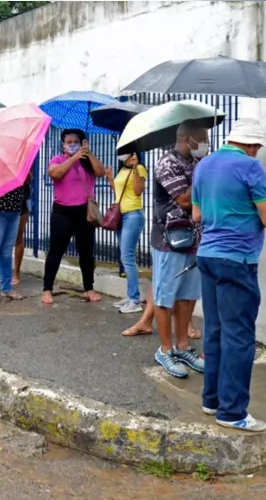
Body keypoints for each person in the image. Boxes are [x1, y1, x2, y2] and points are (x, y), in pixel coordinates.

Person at [193, 118, 266, 432]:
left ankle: (212, 399)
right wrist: (264, 212)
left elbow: (197, 215)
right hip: (237, 261)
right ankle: (232, 413)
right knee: (239, 337)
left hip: (207, 256)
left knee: (214, 329)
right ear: (253, 145)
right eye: (256, 149)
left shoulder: (203, 165)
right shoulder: (250, 168)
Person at [148, 122, 210, 381]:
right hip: (169, 239)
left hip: (195, 239)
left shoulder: (195, 162)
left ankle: (183, 347)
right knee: (165, 296)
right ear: (188, 140)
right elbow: (185, 200)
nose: (207, 146)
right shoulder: (167, 163)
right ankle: (165, 349)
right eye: (203, 141)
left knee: (187, 296)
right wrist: (199, 169)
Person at [42, 128, 105, 304]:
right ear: (63, 145)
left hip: (84, 212)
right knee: (56, 251)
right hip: (62, 212)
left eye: (75, 142)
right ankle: (47, 289)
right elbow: (55, 173)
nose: (72, 145)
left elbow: (100, 172)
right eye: (68, 142)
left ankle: (89, 288)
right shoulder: (58, 160)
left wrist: (88, 153)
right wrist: (74, 158)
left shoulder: (87, 162)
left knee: (86, 252)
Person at [108, 152, 147, 314]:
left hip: (133, 215)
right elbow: (119, 191)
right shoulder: (122, 170)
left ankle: (134, 300)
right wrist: (110, 178)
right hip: (120, 215)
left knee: (127, 258)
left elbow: (138, 191)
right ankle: (130, 295)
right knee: (124, 257)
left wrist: (136, 167)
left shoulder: (140, 168)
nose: (122, 155)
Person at [0, 173, 32, 285]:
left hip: (21, 200)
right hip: (1, 200)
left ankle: (16, 273)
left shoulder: (22, 157)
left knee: (18, 236)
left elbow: (28, 178)